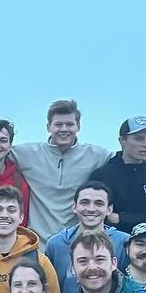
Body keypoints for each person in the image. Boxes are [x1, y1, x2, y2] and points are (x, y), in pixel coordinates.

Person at [9, 99, 112, 240]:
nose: (64, 129)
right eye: (58, 124)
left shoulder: (96, 155)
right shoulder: (27, 153)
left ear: (78, 126)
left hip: (75, 244)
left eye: (69, 124)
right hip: (36, 245)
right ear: (48, 127)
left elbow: (124, 159)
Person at [43, 182, 131, 293]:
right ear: (74, 207)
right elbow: (49, 287)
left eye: (99, 203)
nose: (91, 209)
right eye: (85, 202)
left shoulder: (123, 242)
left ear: (109, 209)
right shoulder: (55, 244)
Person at [91, 116, 146, 234]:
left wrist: (122, 218)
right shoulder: (102, 175)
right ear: (122, 141)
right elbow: (92, 214)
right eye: (139, 139)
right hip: (108, 246)